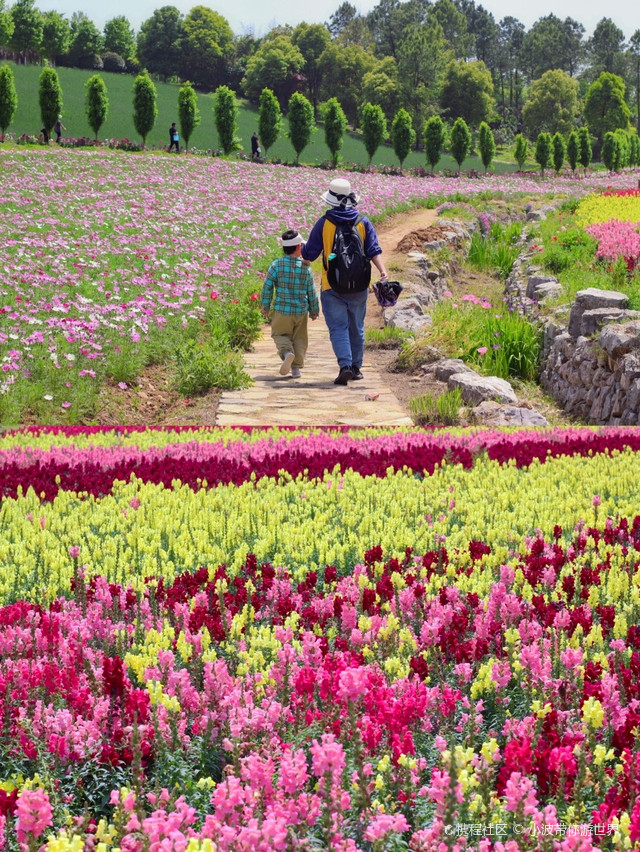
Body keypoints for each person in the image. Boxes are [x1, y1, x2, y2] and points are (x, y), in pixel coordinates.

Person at [301, 177, 388, 385]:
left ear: (330, 200)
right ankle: (357, 368)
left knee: (338, 327)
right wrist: (383, 272)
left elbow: (309, 255)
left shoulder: (324, 223)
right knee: (356, 326)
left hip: (332, 285)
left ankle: (345, 365)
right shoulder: (363, 222)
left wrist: (303, 248)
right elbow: (373, 250)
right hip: (360, 285)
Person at [260, 229, 319, 379]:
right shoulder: (306, 268)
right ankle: (296, 369)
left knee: (279, 334)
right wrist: (314, 309)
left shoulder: (276, 265)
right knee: (300, 339)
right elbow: (311, 291)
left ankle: (287, 352)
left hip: (281, 310)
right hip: (300, 311)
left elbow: (267, 287)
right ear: (299, 247)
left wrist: (265, 305)